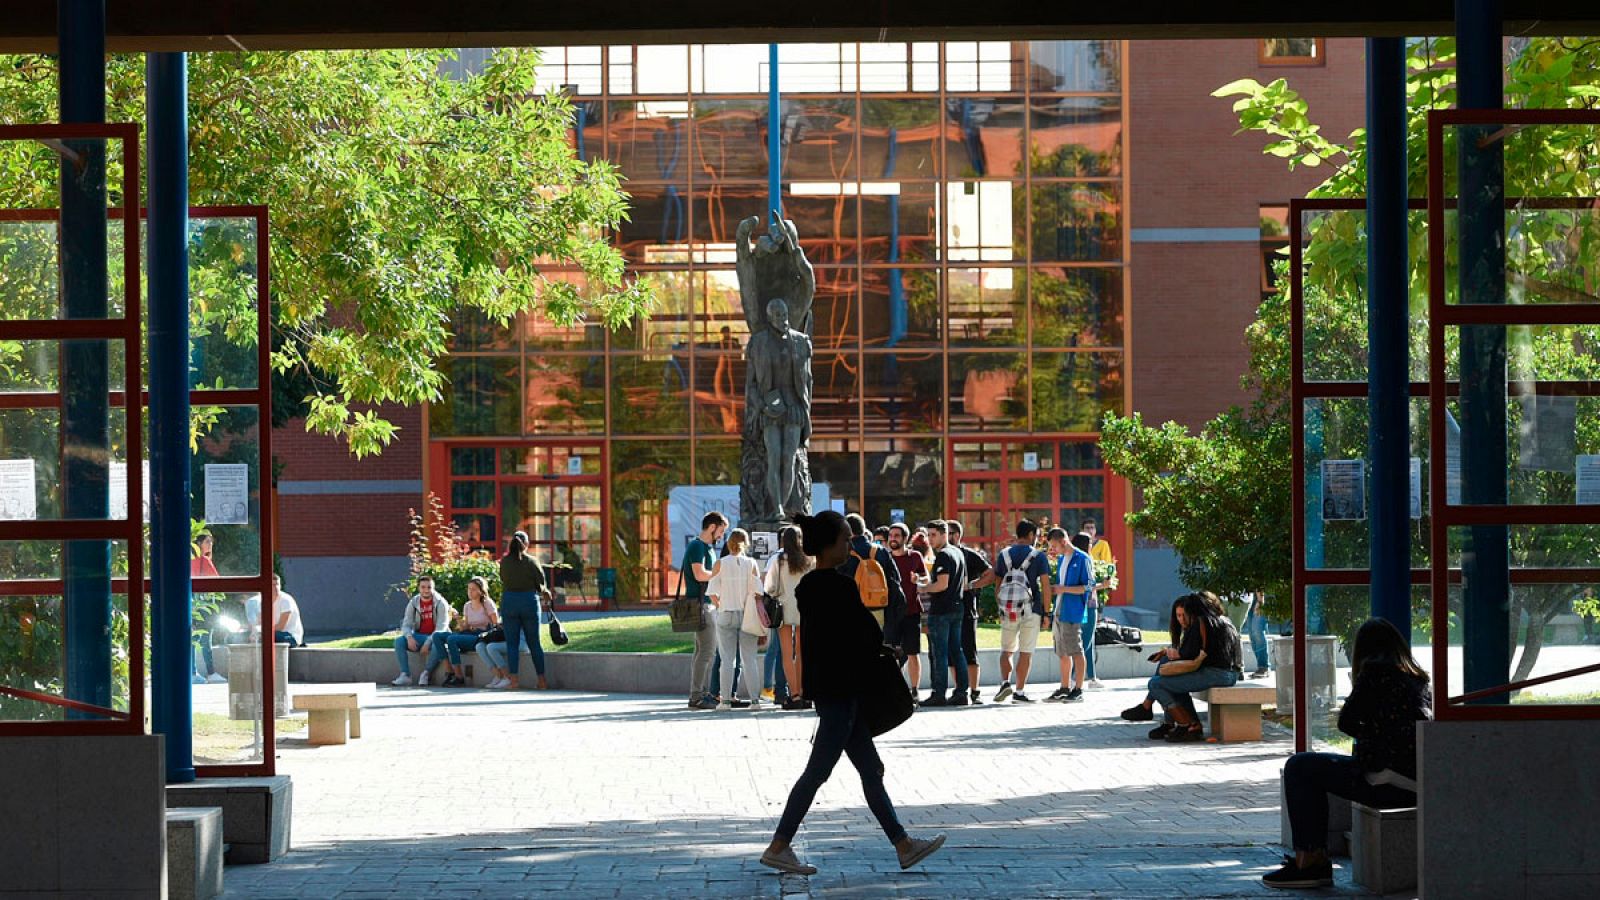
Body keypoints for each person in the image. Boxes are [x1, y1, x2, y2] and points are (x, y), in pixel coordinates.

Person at [759, 510, 947, 877]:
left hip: (833, 690)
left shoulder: (810, 587)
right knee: (817, 772)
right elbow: (866, 635)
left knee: (870, 768)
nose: (850, 544)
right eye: (845, 539)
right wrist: (884, 648)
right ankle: (779, 845)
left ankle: (903, 844)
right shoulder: (839, 586)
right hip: (841, 692)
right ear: (828, 546)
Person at [1264, 618, 1432, 889]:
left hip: (1385, 782)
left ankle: (1309, 861)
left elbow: (1347, 722)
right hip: (1413, 782)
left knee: (1300, 767)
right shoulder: (1418, 679)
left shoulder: (1375, 673)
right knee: (1314, 769)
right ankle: (1311, 858)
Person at [971, 519, 1052, 704]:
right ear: (1031, 535)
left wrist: (1001, 606)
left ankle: (1005, 682)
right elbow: (1046, 586)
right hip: (1031, 609)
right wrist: (1047, 613)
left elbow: (998, 584)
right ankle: (1020, 692)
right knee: (1026, 651)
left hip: (1008, 609)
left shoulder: (1004, 554)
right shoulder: (1038, 556)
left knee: (1006, 649)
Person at [1144, 592, 1240, 742]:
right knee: (1170, 677)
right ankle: (1180, 723)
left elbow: (1188, 655)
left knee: (1156, 684)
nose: (1185, 618)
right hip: (1228, 673)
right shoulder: (1223, 621)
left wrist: (1170, 653)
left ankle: (1186, 723)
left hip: (1217, 673)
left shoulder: (1202, 622)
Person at [707, 529, 764, 710]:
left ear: (729, 543)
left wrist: (720, 604)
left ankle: (725, 701)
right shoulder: (752, 563)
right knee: (749, 659)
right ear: (745, 543)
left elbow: (711, 593)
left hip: (726, 613)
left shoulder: (720, 563)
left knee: (727, 660)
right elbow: (758, 592)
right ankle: (755, 700)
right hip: (747, 615)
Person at [916, 520, 968, 707]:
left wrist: (922, 588)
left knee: (939, 653)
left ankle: (939, 693)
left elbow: (942, 584)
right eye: (928, 535)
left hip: (942, 611)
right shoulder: (958, 552)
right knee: (957, 650)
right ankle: (962, 692)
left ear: (944, 534)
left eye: (933, 535)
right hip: (957, 607)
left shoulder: (944, 555)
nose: (930, 539)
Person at [765, 524, 813, 710]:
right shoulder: (809, 559)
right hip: (805, 610)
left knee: (787, 654)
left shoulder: (778, 560)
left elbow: (770, 587)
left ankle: (793, 695)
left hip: (783, 609)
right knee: (802, 653)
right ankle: (803, 692)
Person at [684, 512, 728, 709]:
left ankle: (698, 693)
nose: (721, 536)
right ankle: (697, 696)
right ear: (712, 527)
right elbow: (700, 574)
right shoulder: (697, 546)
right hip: (700, 605)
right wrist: (720, 575)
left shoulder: (707, 548)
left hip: (705, 604)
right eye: (721, 530)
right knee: (707, 651)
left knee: (701, 651)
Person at [838, 513, 906, 638]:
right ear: (863, 530)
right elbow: (896, 579)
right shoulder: (880, 551)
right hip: (878, 607)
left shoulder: (842, 552)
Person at [499, 531, 551, 691]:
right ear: (526, 544)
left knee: (512, 644)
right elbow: (541, 584)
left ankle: (514, 681)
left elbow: (503, 579)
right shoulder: (532, 561)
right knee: (534, 643)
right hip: (529, 602)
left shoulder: (505, 562)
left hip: (509, 602)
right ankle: (542, 681)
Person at [945, 520, 989, 704]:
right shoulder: (943, 555)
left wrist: (971, 585)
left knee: (969, 650)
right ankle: (959, 690)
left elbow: (990, 573)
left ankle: (975, 691)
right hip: (947, 611)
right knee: (951, 653)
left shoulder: (969, 555)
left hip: (967, 610)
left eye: (946, 533)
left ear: (956, 535)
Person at [428, 576, 499, 688]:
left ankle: (459, 676)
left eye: (473, 589)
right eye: (469, 589)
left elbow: (496, 625)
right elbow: (464, 628)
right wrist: (457, 618)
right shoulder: (467, 606)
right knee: (437, 636)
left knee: (452, 639)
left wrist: (480, 629)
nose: (470, 592)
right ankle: (449, 671)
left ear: (481, 591)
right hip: (468, 635)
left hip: (481, 637)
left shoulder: (487, 604)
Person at [1046, 530, 1092, 702]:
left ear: (1064, 541)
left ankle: (1078, 689)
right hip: (1059, 609)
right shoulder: (1061, 560)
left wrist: (1063, 589)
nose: (1053, 550)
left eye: (1054, 546)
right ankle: (1064, 687)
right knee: (1062, 651)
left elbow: (1088, 586)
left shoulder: (1082, 559)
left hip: (1073, 611)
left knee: (1076, 650)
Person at [884, 523, 928, 701]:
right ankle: (894, 690)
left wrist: (919, 578)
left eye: (896, 535)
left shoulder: (915, 556)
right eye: (891, 536)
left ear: (905, 539)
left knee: (912, 652)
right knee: (890, 652)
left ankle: (915, 690)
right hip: (891, 613)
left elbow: (926, 577)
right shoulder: (884, 558)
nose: (893, 539)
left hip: (911, 611)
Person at [391, 575, 452, 686]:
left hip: (436, 637)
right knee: (399, 641)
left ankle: (426, 674)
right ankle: (405, 675)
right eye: (423, 587)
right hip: (419, 636)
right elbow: (406, 624)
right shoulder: (413, 603)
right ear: (419, 588)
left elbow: (441, 627)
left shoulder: (441, 603)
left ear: (433, 588)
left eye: (429, 587)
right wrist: (409, 637)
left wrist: (428, 642)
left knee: (437, 645)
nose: (426, 590)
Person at [1080, 516, 1115, 688]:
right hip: (1086, 601)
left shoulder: (1102, 546)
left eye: (1092, 527)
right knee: (1084, 639)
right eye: (1087, 527)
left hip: (1092, 600)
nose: (1090, 530)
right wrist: (1103, 585)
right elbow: (1087, 585)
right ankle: (1075, 677)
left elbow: (1108, 565)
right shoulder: (1083, 559)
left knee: (1089, 637)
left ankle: (1091, 676)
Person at [242, 573, 303, 648]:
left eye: (277, 584)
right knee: (242, 636)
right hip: (270, 634)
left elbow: (280, 627)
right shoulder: (263, 601)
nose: (275, 587)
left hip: (289, 636)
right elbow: (260, 623)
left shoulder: (286, 600)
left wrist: (260, 633)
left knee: (268, 636)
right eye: (272, 585)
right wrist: (252, 631)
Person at [1243, 591, 1273, 677]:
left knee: (1257, 632)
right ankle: (1261, 667)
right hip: (1249, 599)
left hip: (1259, 598)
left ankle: (1264, 667)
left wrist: (1260, 601)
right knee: (1252, 635)